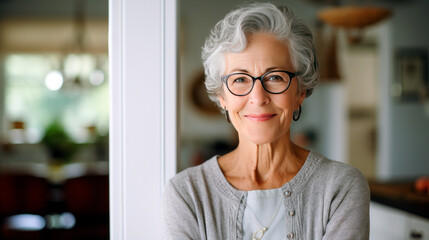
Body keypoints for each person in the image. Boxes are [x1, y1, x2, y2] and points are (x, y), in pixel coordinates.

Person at [162, 2, 369, 240]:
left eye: (275, 77)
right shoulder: (187, 193)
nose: (258, 97)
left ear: (300, 92)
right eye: (240, 79)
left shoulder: (341, 188)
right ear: (222, 97)